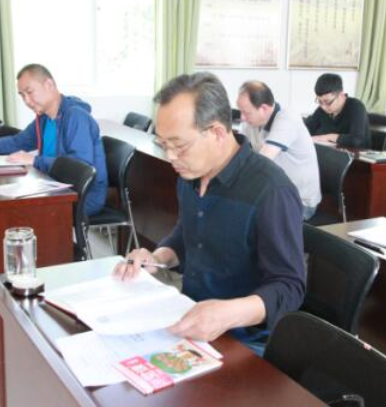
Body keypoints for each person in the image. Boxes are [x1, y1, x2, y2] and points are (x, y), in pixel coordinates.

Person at [113, 73, 305, 352]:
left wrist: (227, 314)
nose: (171, 157)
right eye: (164, 144)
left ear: (216, 132)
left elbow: (290, 288)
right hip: (189, 318)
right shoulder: (190, 174)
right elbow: (187, 233)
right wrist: (157, 259)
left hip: (244, 341)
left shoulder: (271, 191)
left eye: (179, 146)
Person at [0, 64, 107, 215]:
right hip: (54, 185)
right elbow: (18, 142)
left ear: (49, 84)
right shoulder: (44, 118)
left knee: (13, 212)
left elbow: (80, 167)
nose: (26, 101)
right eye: (22, 95)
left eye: (30, 92)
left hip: (83, 195)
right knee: (3, 204)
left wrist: (35, 160)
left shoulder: (76, 117)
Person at [237, 80, 321, 220]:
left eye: (246, 112)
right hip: (272, 194)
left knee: (244, 218)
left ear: (263, 108)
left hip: (299, 202)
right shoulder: (252, 120)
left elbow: (262, 163)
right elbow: (236, 154)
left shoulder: (287, 118)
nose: (242, 117)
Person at [303, 73, 370, 148]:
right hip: (330, 151)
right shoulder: (322, 109)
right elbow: (307, 129)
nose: (323, 107)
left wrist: (328, 137)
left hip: (356, 153)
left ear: (341, 95)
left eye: (328, 102)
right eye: (320, 102)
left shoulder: (356, 106)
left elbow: (356, 140)